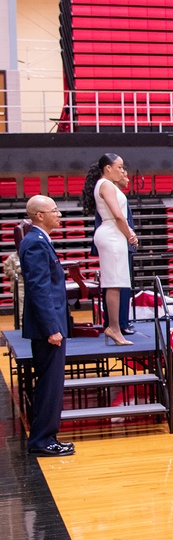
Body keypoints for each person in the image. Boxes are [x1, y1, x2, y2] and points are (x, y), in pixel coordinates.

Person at [20, 196, 75, 457]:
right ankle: (42, 439)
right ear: (39, 215)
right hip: (47, 327)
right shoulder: (35, 243)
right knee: (50, 383)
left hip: (50, 324)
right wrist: (53, 327)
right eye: (54, 211)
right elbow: (39, 289)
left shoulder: (40, 241)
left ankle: (47, 436)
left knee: (52, 382)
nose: (59, 215)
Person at [80, 153, 137, 346]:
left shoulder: (106, 185)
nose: (122, 170)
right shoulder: (105, 185)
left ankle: (115, 327)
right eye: (119, 167)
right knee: (113, 283)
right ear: (108, 168)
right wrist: (130, 234)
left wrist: (128, 233)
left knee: (117, 282)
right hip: (112, 233)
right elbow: (118, 215)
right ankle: (114, 327)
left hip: (114, 233)